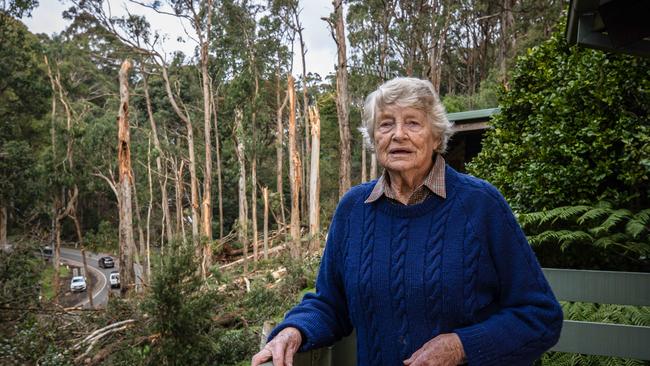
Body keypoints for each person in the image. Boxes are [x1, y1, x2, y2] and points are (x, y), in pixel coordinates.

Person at [252, 77, 563, 366]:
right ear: (374, 139)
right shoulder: (353, 209)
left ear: (436, 136)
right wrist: (294, 330)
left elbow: (540, 315)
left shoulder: (480, 204)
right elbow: (330, 303)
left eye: (413, 123)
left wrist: (461, 346)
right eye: (386, 124)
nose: (398, 134)